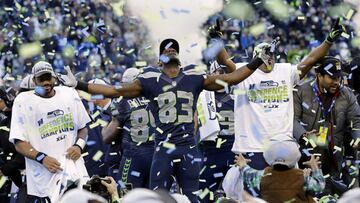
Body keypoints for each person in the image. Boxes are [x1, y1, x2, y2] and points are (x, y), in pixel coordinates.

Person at [61, 30, 271, 201]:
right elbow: (114, 91)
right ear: (160, 59)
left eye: (173, 49)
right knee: (157, 198)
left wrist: (255, 62)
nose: (170, 51)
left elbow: (232, 78)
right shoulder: (150, 81)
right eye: (166, 49)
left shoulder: (194, 78)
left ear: (178, 56)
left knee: (191, 198)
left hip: (186, 147)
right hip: (163, 149)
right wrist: (78, 84)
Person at [232, 18, 345, 170]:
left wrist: (329, 40)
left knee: (289, 190)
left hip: (283, 144)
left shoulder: (285, 71)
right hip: (253, 146)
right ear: (256, 57)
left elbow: (311, 59)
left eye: (271, 55)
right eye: (265, 55)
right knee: (255, 190)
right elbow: (226, 64)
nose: (269, 59)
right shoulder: (243, 72)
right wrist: (217, 42)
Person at [9, 61, 91, 202]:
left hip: (74, 167)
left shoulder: (68, 94)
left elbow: (83, 128)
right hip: (45, 175)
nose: (46, 82)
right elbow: (19, 143)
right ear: (34, 80)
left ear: (54, 78)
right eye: (41, 79)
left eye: (48, 78)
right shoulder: (23, 101)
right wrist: (42, 158)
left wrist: (79, 146)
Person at [293, 56, 360, 196]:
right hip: (310, 158)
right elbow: (292, 120)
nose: (337, 82)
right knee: (313, 196)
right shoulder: (302, 92)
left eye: (339, 78)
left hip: (337, 158)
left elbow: (356, 120)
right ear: (319, 75)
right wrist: (303, 134)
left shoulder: (346, 93)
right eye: (332, 78)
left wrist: (357, 138)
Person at [102, 67, 155, 189]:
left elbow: (107, 137)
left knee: (126, 197)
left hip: (134, 157)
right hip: (157, 156)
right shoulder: (155, 98)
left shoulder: (123, 102)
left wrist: (105, 126)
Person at [234, 135, 325, 203]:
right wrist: (315, 168)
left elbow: (248, 174)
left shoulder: (262, 176)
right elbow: (319, 187)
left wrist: (242, 164)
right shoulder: (302, 177)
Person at [197, 61, 236, 203]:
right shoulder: (202, 95)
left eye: (226, 72)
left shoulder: (238, 93)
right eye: (220, 72)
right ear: (212, 74)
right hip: (211, 150)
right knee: (204, 194)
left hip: (234, 149)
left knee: (235, 194)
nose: (224, 75)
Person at [0, 86, 26, 203]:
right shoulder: (4, 122)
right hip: (12, 174)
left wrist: (6, 169)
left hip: (27, 173)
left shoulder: (22, 120)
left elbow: (24, 152)